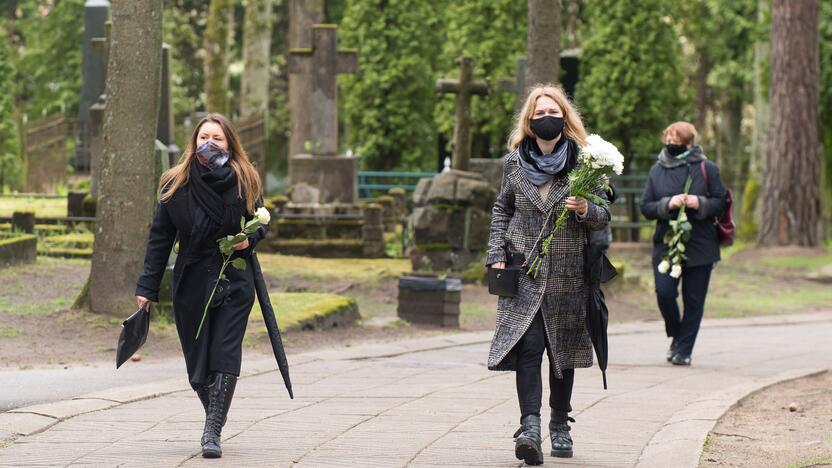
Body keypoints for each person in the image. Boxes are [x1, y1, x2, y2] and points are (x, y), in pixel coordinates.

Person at [485, 85, 611, 465]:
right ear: (529, 120)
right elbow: (500, 210)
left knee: (563, 353)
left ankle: (560, 422)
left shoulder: (586, 163)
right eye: (538, 112)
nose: (546, 117)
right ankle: (530, 428)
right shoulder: (513, 163)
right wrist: (495, 255)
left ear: (564, 117)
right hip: (523, 270)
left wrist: (586, 207)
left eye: (552, 110)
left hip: (568, 275)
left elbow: (604, 216)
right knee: (529, 348)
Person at [135, 113, 267, 458]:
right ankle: (215, 414)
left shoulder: (244, 179)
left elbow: (260, 223)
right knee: (196, 366)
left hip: (234, 280)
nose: (209, 143)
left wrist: (246, 242)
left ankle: (212, 432)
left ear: (229, 143)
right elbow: (159, 239)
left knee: (224, 352)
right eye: (203, 137)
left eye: (218, 138)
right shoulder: (174, 184)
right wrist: (147, 288)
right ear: (193, 143)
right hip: (192, 280)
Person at [640, 121, 726, 366]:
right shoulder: (657, 170)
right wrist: (667, 204)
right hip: (666, 243)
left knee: (694, 300)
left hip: (700, 245)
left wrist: (700, 203)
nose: (669, 143)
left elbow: (720, 201)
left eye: (675, 139)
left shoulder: (706, 167)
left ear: (689, 143)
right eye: (667, 137)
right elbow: (646, 207)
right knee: (664, 293)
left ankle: (684, 350)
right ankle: (677, 335)